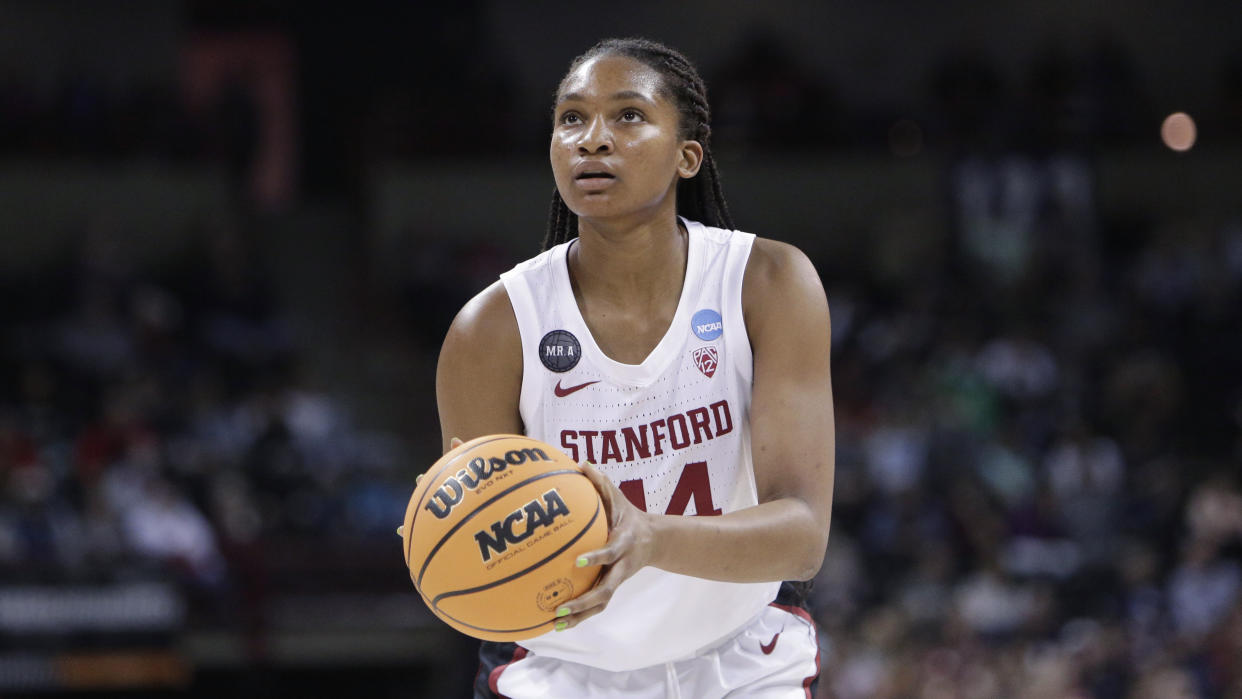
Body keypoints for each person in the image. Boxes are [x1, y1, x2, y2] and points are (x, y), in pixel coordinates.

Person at [434, 37, 835, 698]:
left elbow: (801, 535)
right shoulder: (492, 329)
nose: (592, 139)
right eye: (571, 118)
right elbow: (482, 550)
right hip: (564, 674)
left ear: (687, 156)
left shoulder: (768, 283)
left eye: (627, 115)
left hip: (739, 662)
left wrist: (649, 537)